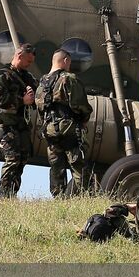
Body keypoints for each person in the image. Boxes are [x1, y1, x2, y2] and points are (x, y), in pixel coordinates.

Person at [35, 48, 93, 197]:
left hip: (50, 129)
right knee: (78, 163)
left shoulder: (42, 82)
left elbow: (40, 107)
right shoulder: (69, 78)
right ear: (65, 60)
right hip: (69, 126)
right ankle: (83, 196)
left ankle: (58, 196)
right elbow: (80, 104)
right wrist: (84, 119)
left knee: (56, 165)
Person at [0, 43, 38, 198]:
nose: (30, 64)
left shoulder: (27, 77)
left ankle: (12, 193)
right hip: (5, 124)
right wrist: (22, 100)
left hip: (21, 126)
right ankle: (4, 195)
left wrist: (34, 95)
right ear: (19, 56)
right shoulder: (3, 75)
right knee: (12, 158)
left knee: (22, 159)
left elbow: (37, 96)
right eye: (28, 61)